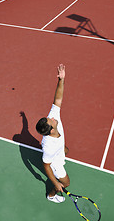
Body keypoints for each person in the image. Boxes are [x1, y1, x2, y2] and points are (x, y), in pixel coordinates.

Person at [36, 64, 70, 203]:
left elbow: (57, 100)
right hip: (55, 164)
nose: (52, 117)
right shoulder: (48, 147)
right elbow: (46, 165)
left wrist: (61, 80)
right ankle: (51, 195)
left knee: (66, 150)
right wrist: (56, 183)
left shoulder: (52, 119)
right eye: (50, 120)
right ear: (51, 130)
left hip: (59, 149)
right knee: (66, 183)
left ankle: (62, 151)